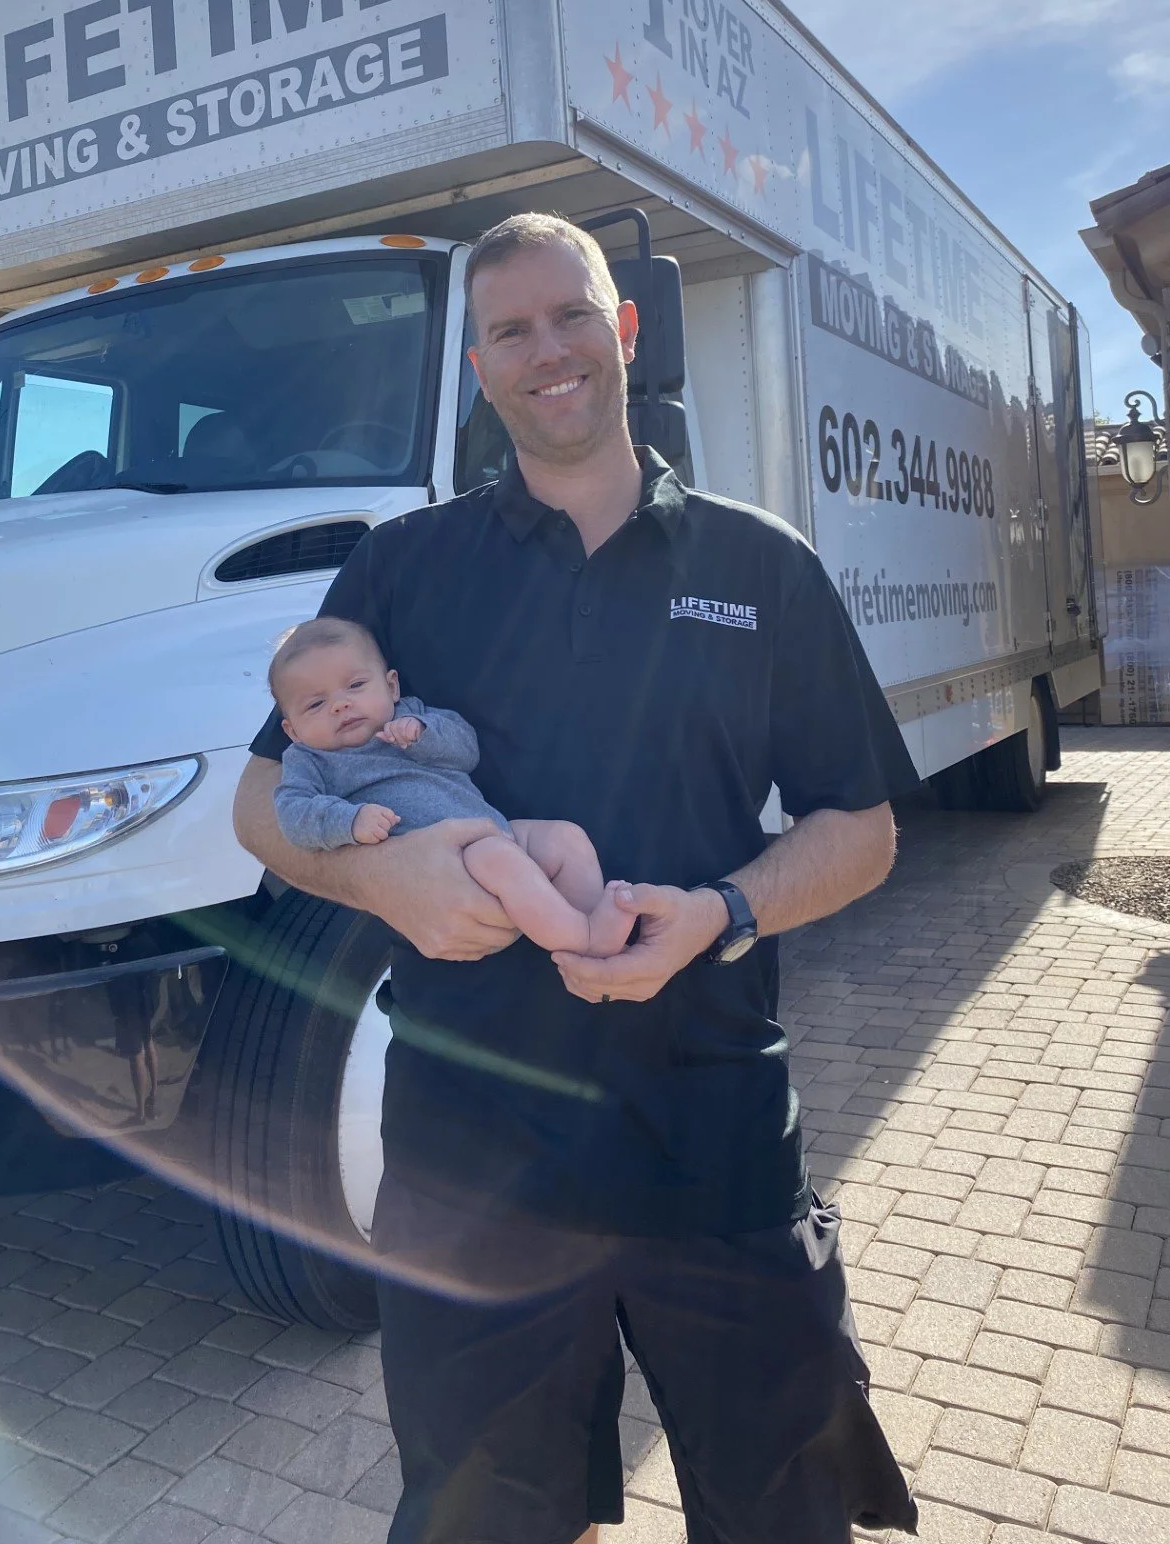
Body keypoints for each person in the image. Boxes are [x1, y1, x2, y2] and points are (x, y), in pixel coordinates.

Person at [234, 211, 920, 1544]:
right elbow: (264, 802)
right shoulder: (401, 569)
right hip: (469, 1157)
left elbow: (865, 827)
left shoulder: (758, 565)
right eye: (509, 330)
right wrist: (391, 884)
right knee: (491, 1519)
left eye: (570, 316)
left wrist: (724, 911)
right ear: (479, 369)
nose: (546, 350)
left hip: (711, 1140)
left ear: (627, 332)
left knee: (785, 1511)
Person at [270, 614, 635, 956]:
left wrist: (424, 736)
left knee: (564, 838)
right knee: (499, 858)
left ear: (391, 686)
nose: (341, 705)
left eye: (355, 685)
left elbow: (467, 751)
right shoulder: (310, 761)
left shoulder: (411, 716)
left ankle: (589, 916)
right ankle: (586, 943)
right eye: (316, 704)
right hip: (449, 862)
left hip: (495, 829)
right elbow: (292, 814)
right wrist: (348, 821)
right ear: (293, 731)